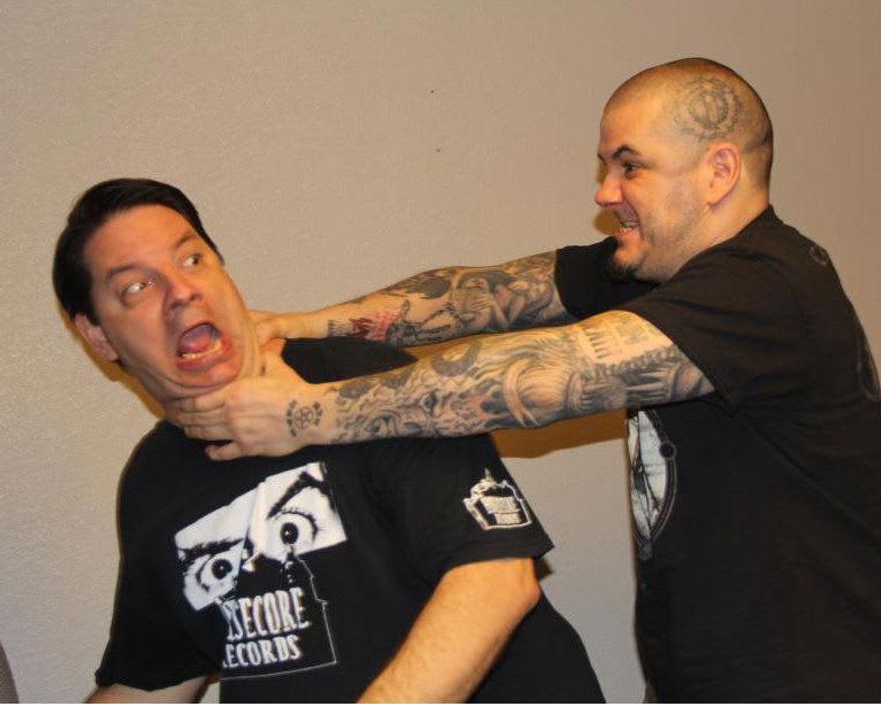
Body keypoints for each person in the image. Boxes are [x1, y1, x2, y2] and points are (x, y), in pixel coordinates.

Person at [171, 58, 881, 701]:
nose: (606, 193)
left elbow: (544, 375)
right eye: (606, 166)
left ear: (718, 171)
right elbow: (484, 294)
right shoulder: (654, 273)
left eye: (629, 166)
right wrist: (306, 324)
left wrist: (306, 414)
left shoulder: (769, 286)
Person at [52, 178, 604, 703]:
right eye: (137, 287)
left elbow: (498, 582)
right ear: (99, 335)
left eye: (193, 259)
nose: (181, 292)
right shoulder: (153, 481)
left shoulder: (366, 380)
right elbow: (154, 681)